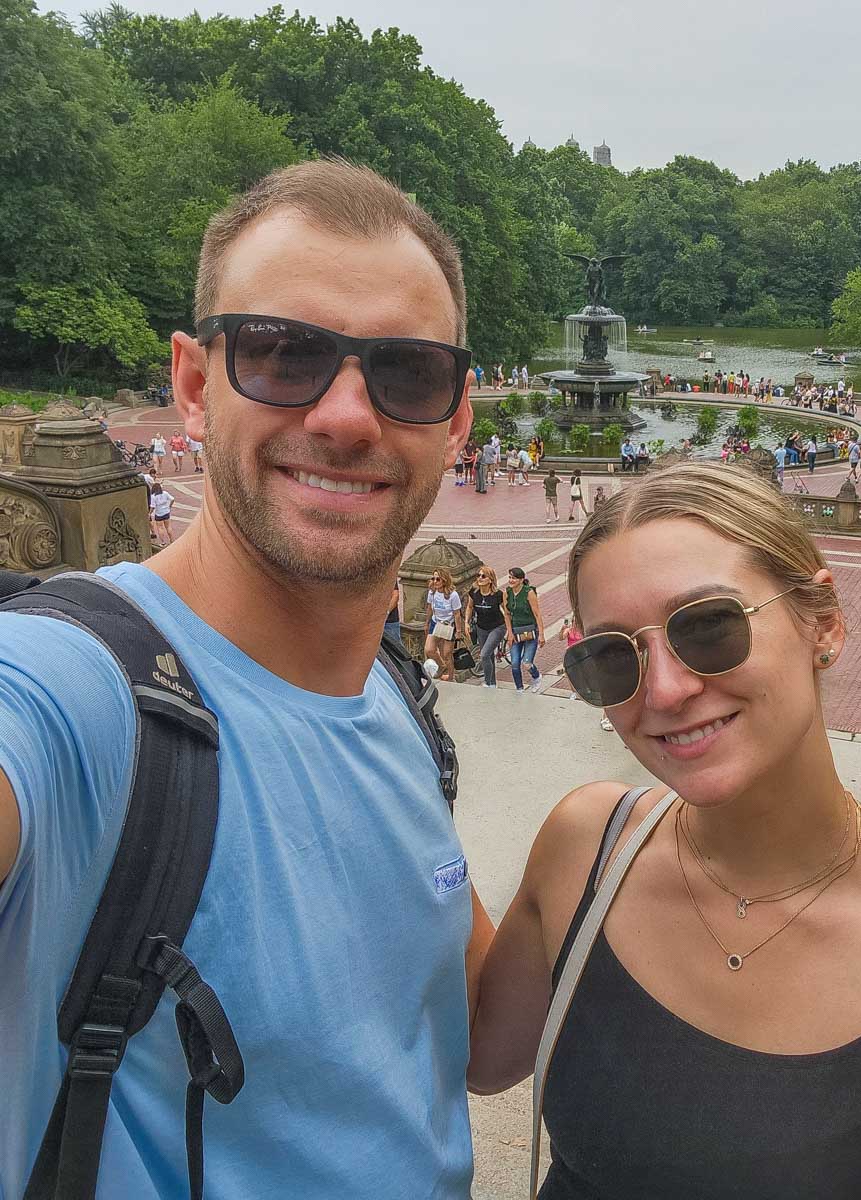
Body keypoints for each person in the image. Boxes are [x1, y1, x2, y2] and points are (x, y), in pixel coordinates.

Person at [0, 159, 494, 1200]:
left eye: (405, 372)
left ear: (454, 418)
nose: (349, 415)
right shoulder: (76, 693)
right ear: (193, 383)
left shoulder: (398, 700)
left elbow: (473, 1033)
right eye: (283, 354)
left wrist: (636, 843)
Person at [468, 462, 861, 1199]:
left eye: (708, 626)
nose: (664, 691)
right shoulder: (588, 846)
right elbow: (483, 1056)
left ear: (821, 622)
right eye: (612, 656)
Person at [504, 567, 546, 693]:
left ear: (521, 580)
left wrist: (541, 634)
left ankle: (536, 676)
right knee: (515, 663)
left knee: (527, 663)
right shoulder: (507, 593)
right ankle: (519, 688)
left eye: (514, 578)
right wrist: (510, 633)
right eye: (510, 577)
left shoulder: (529, 592)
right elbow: (507, 614)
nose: (511, 580)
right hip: (516, 630)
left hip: (530, 630)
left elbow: (537, 614)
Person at [465, 565, 508, 688]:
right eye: (478, 575)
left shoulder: (498, 594)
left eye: (483, 576)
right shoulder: (474, 592)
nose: (480, 578)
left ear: (490, 579)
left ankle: (488, 683)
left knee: (484, 654)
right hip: (481, 627)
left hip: (497, 627)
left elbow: (507, 612)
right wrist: (466, 622)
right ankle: (493, 683)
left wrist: (510, 630)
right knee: (489, 655)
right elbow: (469, 607)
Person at [424, 567, 464, 683]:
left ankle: (451, 677)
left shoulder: (453, 595)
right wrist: (426, 623)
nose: (435, 581)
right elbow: (429, 608)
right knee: (429, 649)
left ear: (444, 580)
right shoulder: (432, 592)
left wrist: (459, 631)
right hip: (435, 622)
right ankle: (442, 666)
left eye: (438, 579)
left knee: (447, 653)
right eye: (433, 578)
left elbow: (457, 614)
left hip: (448, 625)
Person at [149, 481, 176, 545]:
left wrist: (150, 513)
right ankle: (172, 540)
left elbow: (152, 506)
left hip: (159, 514)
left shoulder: (153, 496)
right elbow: (172, 499)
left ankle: (163, 542)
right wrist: (169, 506)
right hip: (166, 512)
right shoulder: (165, 493)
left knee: (160, 528)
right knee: (168, 527)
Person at [384, 577, 401, 642]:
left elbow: (395, 596)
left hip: (389, 622)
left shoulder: (387, 573)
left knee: (395, 648)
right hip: (373, 622)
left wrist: (386, 613)